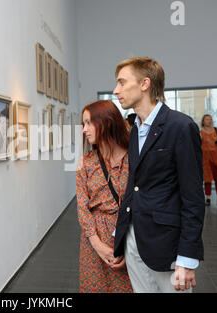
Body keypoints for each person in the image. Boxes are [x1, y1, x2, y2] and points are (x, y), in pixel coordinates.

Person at [112, 57, 205, 293]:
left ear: (144, 83)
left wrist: (187, 257)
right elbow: (135, 184)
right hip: (134, 239)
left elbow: (193, 197)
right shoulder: (135, 129)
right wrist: (122, 234)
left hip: (167, 244)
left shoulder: (180, 127)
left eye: (122, 83)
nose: (116, 90)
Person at [76, 100, 133, 293]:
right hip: (95, 237)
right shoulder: (85, 162)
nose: (84, 130)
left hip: (130, 233)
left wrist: (127, 248)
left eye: (88, 123)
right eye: (83, 124)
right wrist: (97, 244)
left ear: (106, 122)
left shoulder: (134, 159)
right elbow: (82, 207)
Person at [200, 114, 217, 206]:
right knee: (207, 178)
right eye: (207, 119)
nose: (209, 121)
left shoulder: (216, 130)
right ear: (203, 121)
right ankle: (208, 198)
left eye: (210, 119)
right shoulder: (200, 132)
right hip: (206, 158)